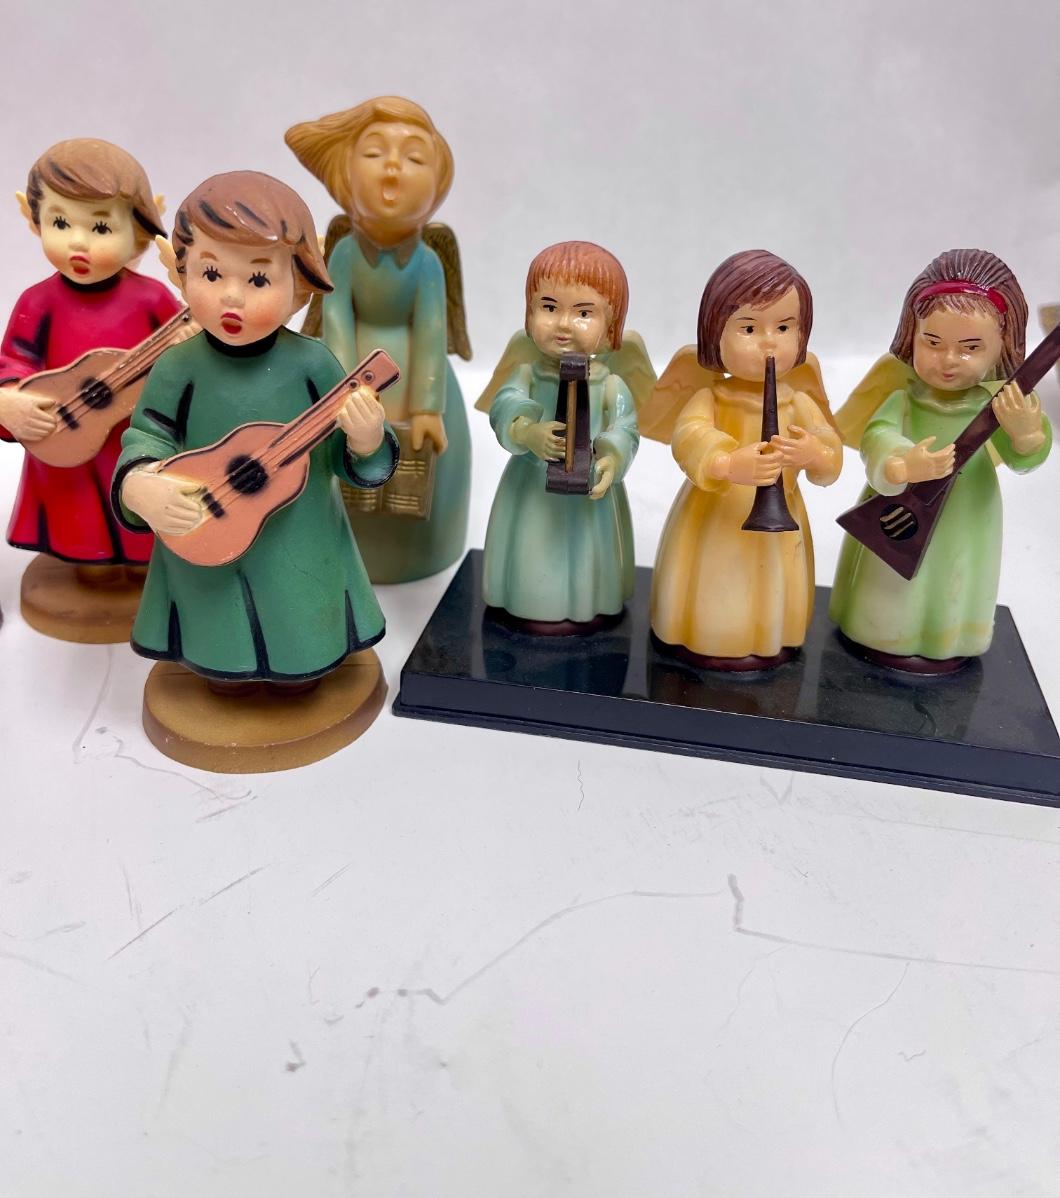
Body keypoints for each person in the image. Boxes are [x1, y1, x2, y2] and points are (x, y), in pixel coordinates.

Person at [113, 171, 397, 689]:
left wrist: (365, 439)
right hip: (203, 527)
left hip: (299, 535)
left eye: (259, 280)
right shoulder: (177, 367)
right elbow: (147, 436)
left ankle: (304, 664)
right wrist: (140, 484)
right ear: (181, 273)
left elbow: (343, 453)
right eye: (211, 273)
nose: (232, 297)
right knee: (217, 636)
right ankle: (221, 673)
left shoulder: (313, 364)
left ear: (299, 289)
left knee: (300, 623)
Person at [830, 248, 1052, 670]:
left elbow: (1026, 459)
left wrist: (1026, 434)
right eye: (932, 343)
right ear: (911, 335)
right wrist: (901, 464)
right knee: (891, 578)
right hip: (902, 509)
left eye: (970, 348)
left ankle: (950, 637)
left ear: (1001, 346)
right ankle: (881, 632)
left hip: (967, 514)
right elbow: (877, 436)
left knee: (956, 573)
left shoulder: (1002, 404)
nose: (948, 360)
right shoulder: (903, 398)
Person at [286, 96, 471, 583]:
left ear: (438, 187)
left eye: (414, 158)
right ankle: (338, 549)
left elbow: (432, 330)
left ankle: (420, 551)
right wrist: (347, 387)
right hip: (351, 372)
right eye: (373, 153)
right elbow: (336, 320)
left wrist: (427, 406)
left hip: (415, 377)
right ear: (346, 178)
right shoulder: (344, 253)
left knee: (421, 465)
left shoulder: (428, 263)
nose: (392, 168)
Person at [640, 249, 842, 668]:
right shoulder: (711, 396)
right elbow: (689, 436)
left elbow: (830, 450)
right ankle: (711, 637)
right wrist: (728, 464)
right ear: (715, 333)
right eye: (749, 328)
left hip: (781, 518)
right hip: (717, 512)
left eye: (784, 327)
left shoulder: (798, 401)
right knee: (717, 581)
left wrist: (814, 454)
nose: (769, 341)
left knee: (772, 581)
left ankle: (769, 638)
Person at [0, 138, 179, 581]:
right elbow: (13, 361)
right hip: (67, 443)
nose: (78, 243)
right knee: (81, 530)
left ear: (139, 229)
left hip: (135, 439)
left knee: (141, 529)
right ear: (33, 218)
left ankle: (144, 577)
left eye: (100, 227)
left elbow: (184, 359)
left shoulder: (153, 299)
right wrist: (12, 402)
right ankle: (86, 570)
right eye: (60, 222)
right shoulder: (37, 302)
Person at [476, 240, 653, 630]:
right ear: (529, 313)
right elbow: (504, 405)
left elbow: (626, 426)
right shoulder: (526, 374)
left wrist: (612, 457)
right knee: (532, 547)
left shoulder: (610, 385)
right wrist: (527, 432)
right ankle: (530, 600)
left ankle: (589, 603)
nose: (563, 324)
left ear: (611, 327)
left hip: (590, 492)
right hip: (532, 486)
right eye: (549, 307)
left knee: (587, 549)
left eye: (584, 313)